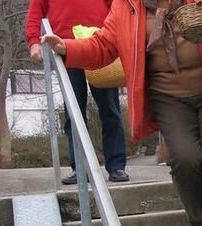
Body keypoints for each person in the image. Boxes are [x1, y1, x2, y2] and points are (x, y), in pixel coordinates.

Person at [43, 0, 202, 226]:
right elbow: (103, 46)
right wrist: (67, 47)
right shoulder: (125, 8)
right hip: (167, 97)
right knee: (184, 158)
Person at [26, 0, 130, 184]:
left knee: (110, 110)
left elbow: (117, 6)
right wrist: (34, 42)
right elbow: (35, 11)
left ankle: (116, 166)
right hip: (64, 48)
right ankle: (80, 168)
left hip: (99, 47)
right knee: (73, 114)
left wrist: (120, 36)